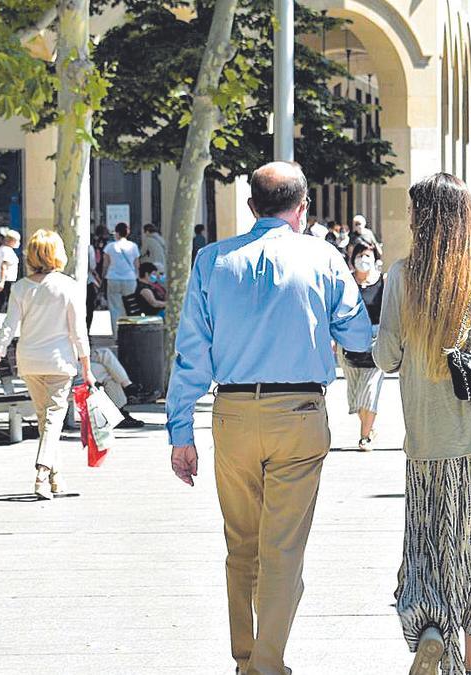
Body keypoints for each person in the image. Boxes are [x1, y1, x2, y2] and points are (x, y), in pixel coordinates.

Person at [166, 161, 372, 675]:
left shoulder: (212, 261)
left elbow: (191, 350)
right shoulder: (323, 258)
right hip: (299, 413)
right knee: (282, 551)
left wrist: (180, 430)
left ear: (252, 206)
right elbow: (358, 337)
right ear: (302, 208)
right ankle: (266, 666)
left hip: (232, 413)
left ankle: (245, 659)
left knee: (241, 545)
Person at [373, 173, 471, 675]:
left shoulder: (402, 275)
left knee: (427, 544)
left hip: (424, 440)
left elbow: (385, 357)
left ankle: (432, 630)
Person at [0, 230, 94, 499]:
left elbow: (8, 327)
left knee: (46, 419)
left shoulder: (21, 287)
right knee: (54, 419)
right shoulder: (68, 286)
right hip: (59, 362)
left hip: (30, 361)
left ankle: (55, 480)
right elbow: (78, 331)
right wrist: (87, 366)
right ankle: (42, 472)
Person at [339, 242, 385, 451]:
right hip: (349, 343)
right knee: (355, 396)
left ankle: (365, 436)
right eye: (360, 255)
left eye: (368, 255)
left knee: (369, 391)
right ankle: (368, 427)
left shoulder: (382, 283)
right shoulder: (346, 282)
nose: (363, 260)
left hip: (376, 343)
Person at [103, 222, 140, 339]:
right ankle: (130, 333)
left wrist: (103, 277)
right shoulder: (133, 246)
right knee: (130, 307)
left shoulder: (110, 247)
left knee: (114, 308)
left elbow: (106, 264)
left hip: (113, 278)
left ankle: (116, 335)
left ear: (117, 233)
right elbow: (137, 264)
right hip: (130, 279)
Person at [0, 230, 21, 330]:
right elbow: (4, 266)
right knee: (7, 302)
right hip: (6, 280)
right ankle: (5, 322)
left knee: (1, 301)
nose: (18, 243)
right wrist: (2, 282)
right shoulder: (7, 250)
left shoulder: (3, 249)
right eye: (16, 241)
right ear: (11, 240)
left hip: (5, 279)